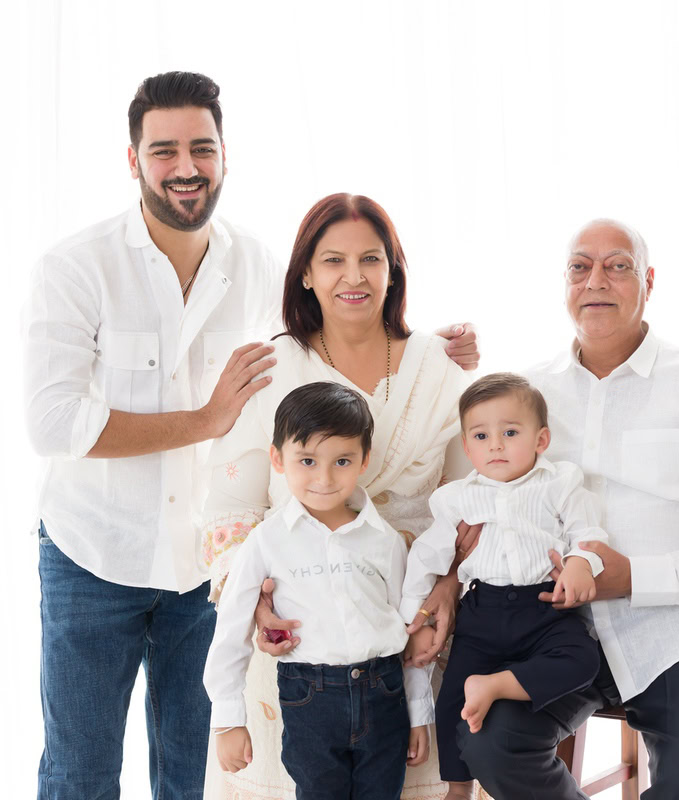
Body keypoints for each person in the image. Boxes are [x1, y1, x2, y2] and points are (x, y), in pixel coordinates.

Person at [23, 73, 477, 800]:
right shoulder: (77, 268)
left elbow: (339, 321)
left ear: (225, 156)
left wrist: (443, 352)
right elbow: (53, 424)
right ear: (132, 158)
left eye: (201, 148)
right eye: (164, 149)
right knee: (80, 771)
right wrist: (205, 421)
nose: (185, 167)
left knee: (195, 772)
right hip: (95, 554)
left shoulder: (256, 266)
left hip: (202, 573)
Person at [414, 219, 679, 800]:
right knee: (489, 744)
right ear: (564, 282)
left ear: (647, 281)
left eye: (617, 266)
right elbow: (473, 511)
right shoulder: (523, 395)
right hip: (551, 635)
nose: (596, 280)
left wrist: (637, 578)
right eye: (580, 267)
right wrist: (445, 581)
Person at [200, 193, 479, 799]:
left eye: (370, 259)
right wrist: (255, 604)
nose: (353, 277)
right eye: (332, 260)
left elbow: (476, 507)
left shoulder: (440, 370)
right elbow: (228, 515)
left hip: (412, 634)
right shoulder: (268, 370)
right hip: (293, 646)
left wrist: (445, 591)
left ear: (393, 268)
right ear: (304, 272)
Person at [204, 381, 432, 799]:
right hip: (310, 697)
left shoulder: (384, 541)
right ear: (278, 458)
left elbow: (411, 632)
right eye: (307, 460)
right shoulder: (266, 541)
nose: (324, 479)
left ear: (364, 460)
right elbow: (231, 629)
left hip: (385, 693)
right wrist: (228, 720)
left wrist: (418, 713)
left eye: (341, 460)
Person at [401, 373, 607, 800]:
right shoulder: (457, 499)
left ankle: (498, 684)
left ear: (541, 439)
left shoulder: (559, 483)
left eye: (510, 432)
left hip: (545, 608)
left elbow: (587, 531)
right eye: (481, 435)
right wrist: (415, 616)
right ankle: (458, 788)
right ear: (467, 445)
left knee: (582, 659)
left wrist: (581, 562)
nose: (495, 444)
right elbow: (427, 557)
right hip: (483, 612)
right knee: (451, 697)